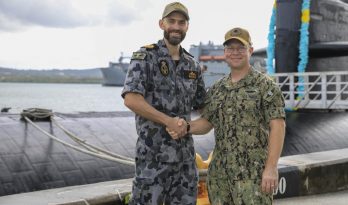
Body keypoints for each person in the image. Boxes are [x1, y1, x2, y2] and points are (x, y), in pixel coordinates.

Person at [168, 27, 286, 204]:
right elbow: (207, 123)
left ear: (250, 51)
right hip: (220, 176)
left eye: (241, 48)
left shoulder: (265, 87)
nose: (235, 52)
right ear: (225, 52)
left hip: (252, 176)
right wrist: (185, 127)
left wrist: (271, 168)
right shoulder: (217, 89)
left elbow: (278, 126)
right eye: (230, 48)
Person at [121, 2, 206, 204]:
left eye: (181, 22)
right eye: (171, 21)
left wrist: (189, 126)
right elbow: (131, 99)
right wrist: (168, 121)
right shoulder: (145, 57)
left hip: (185, 162)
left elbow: (204, 106)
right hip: (153, 161)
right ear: (161, 24)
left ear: (187, 26)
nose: (176, 26)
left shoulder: (192, 65)